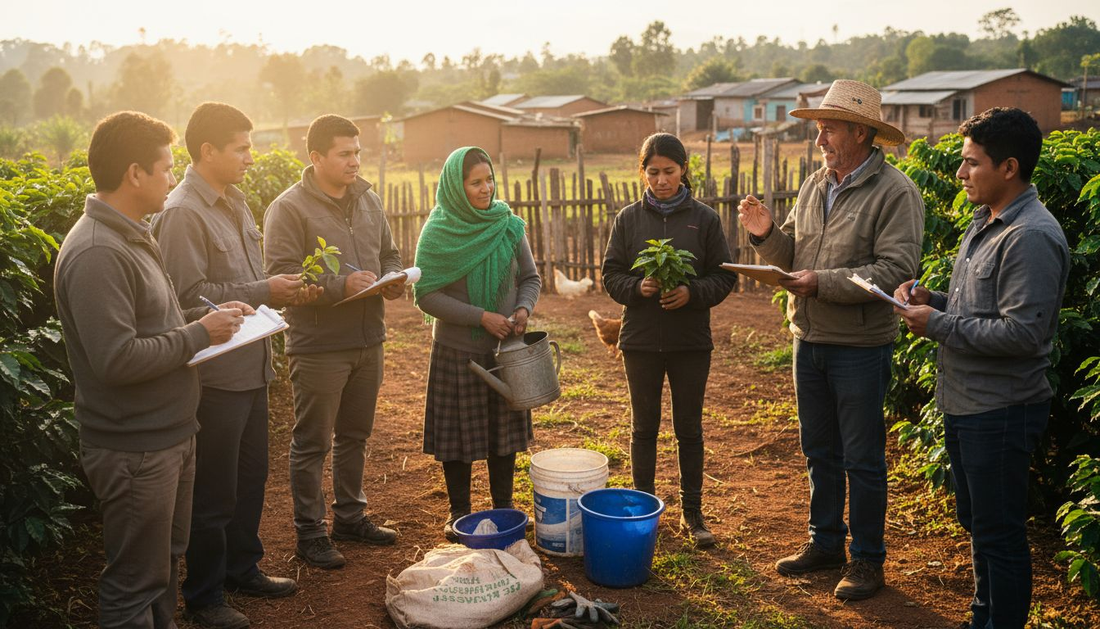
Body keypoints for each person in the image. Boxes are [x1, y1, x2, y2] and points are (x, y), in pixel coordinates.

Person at [54, 111, 247, 628]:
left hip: (166, 435)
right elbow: (117, 359)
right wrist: (199, 335)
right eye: (164, 168)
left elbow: (152, 326)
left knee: (162, 568)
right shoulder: (98, 252)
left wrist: (206, 319)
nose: (172, 177)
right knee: (134, 584)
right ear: (134, 173)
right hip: (134, 446)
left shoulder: (132, 235)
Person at [738, 79, 924, 599]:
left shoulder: (895, 192)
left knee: (862, 457)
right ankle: (825, 543)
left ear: (862, 133)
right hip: (810, 337)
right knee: (819, 449)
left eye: (829, 128)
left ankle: (867, 560)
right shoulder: (816, 185)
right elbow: (794, 256)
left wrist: (821, 282)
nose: (819, 138)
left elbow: (894, 270)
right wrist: (764, 235)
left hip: (860, 347)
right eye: (818, 128)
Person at [893, 108, 1069, 629]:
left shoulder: (1030, 236)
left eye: (971, 163)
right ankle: (983, 616)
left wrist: (938, 324)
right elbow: (981, 310)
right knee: (980, 523)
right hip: (967, 401)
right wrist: (935, 300)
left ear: (1009, 167)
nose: (960, 173)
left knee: (1000, 533)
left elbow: (1022, 334)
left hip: (1001, 407)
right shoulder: (986, 223)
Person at [152, 103, 317, 628]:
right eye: (241, 148)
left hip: (251, 367)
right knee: (214, 489)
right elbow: (186, 298)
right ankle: (203, 597)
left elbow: (242, 282)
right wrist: (264, 289)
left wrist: (273, 294)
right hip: (218, 375)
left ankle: (241, 568)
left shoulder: (236, 202)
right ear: (207, 152)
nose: (251, 156)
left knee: (250, 478)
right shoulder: (182, 212)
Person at [263, 114, 404, 569]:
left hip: (368, 338)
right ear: (316, 157)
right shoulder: (288, 208)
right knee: (312, 443)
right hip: (319, 345)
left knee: (355, 436)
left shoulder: (369, 200)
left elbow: (389, 253)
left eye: (358, 152)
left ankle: (350, 517)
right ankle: (310, 532)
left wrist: (394, 278)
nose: (355, 162)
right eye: (345, 154)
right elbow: (280, 278)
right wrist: (339, 286)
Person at [601, 132, 737, 548]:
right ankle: (643, 508)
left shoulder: (705, 219)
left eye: (669, 172)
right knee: (644, 428)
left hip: (690, 342)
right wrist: (636, 288)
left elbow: (725, 274)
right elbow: (610, 274)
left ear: (684, 171)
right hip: (639, 341)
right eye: (653, 172)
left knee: (689, 429)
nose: (661, 180)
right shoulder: (628, 219)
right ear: (642, 172)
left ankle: (692, 513)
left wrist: (692, 293)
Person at [413, 147, 541, 541]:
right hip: (457, 350)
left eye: (489, 180)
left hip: (505, 352)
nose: (486, 189)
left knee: (503, 433)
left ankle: (504, 506)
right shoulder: (439, 232)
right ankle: (460, 511)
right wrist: (480, 316)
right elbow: (427, 295)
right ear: (456, 186)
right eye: (475, 183)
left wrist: (522, 309)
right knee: (458, 437)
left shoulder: (507, 224)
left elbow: (530, 279)